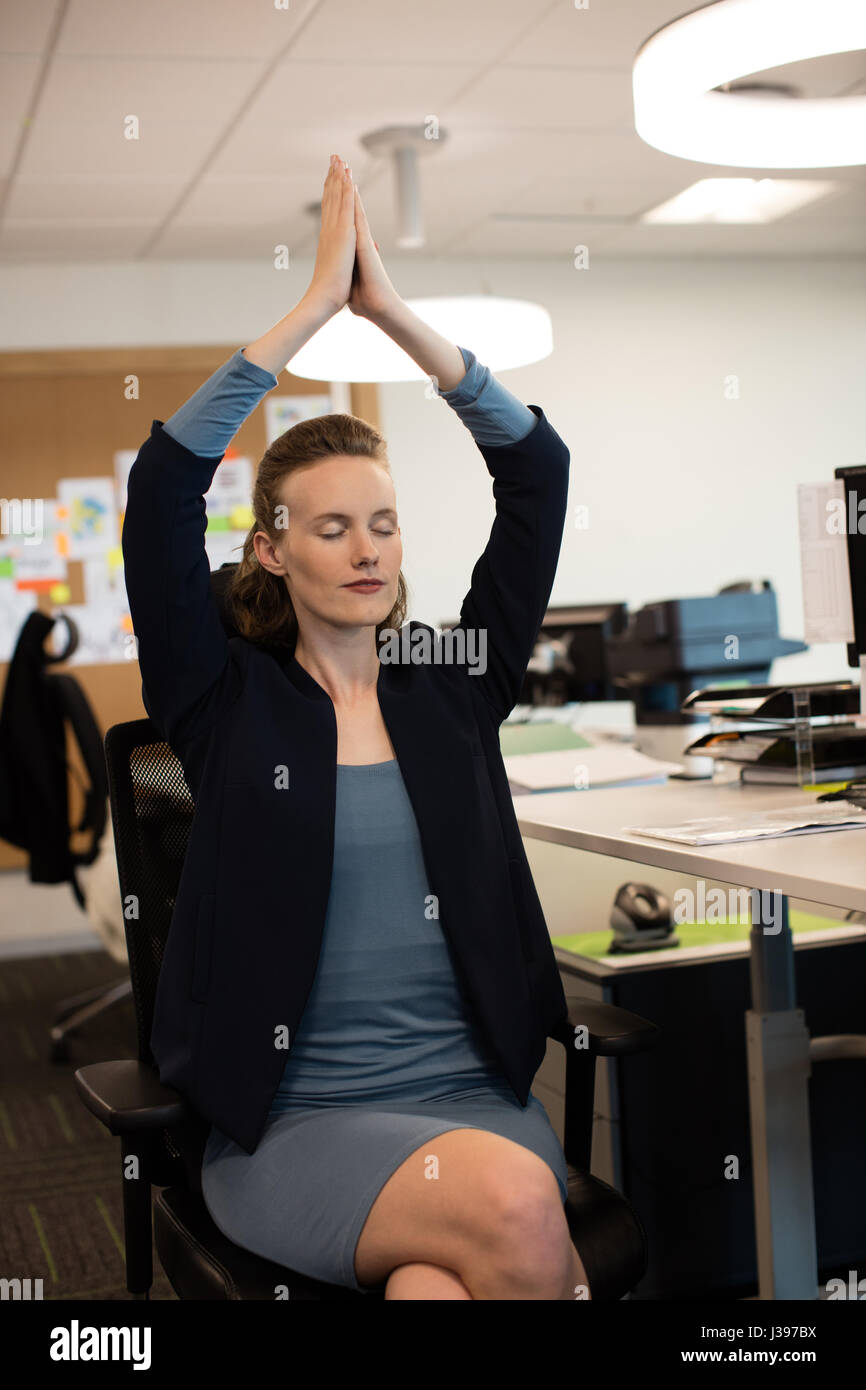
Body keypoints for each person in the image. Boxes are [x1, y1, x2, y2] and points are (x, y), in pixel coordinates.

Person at [123, 154, 590, 1300]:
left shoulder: (453, 679)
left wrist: (396, 320)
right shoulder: (223, 702)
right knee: (520, 1209)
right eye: (330, 528)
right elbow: (160, 493)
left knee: (432, 1287)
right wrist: (309, 313)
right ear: (273, 551)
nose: (368, 548)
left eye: (381, 522)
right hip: (296, 1121)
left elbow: (536, 470)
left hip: (470, 1101)